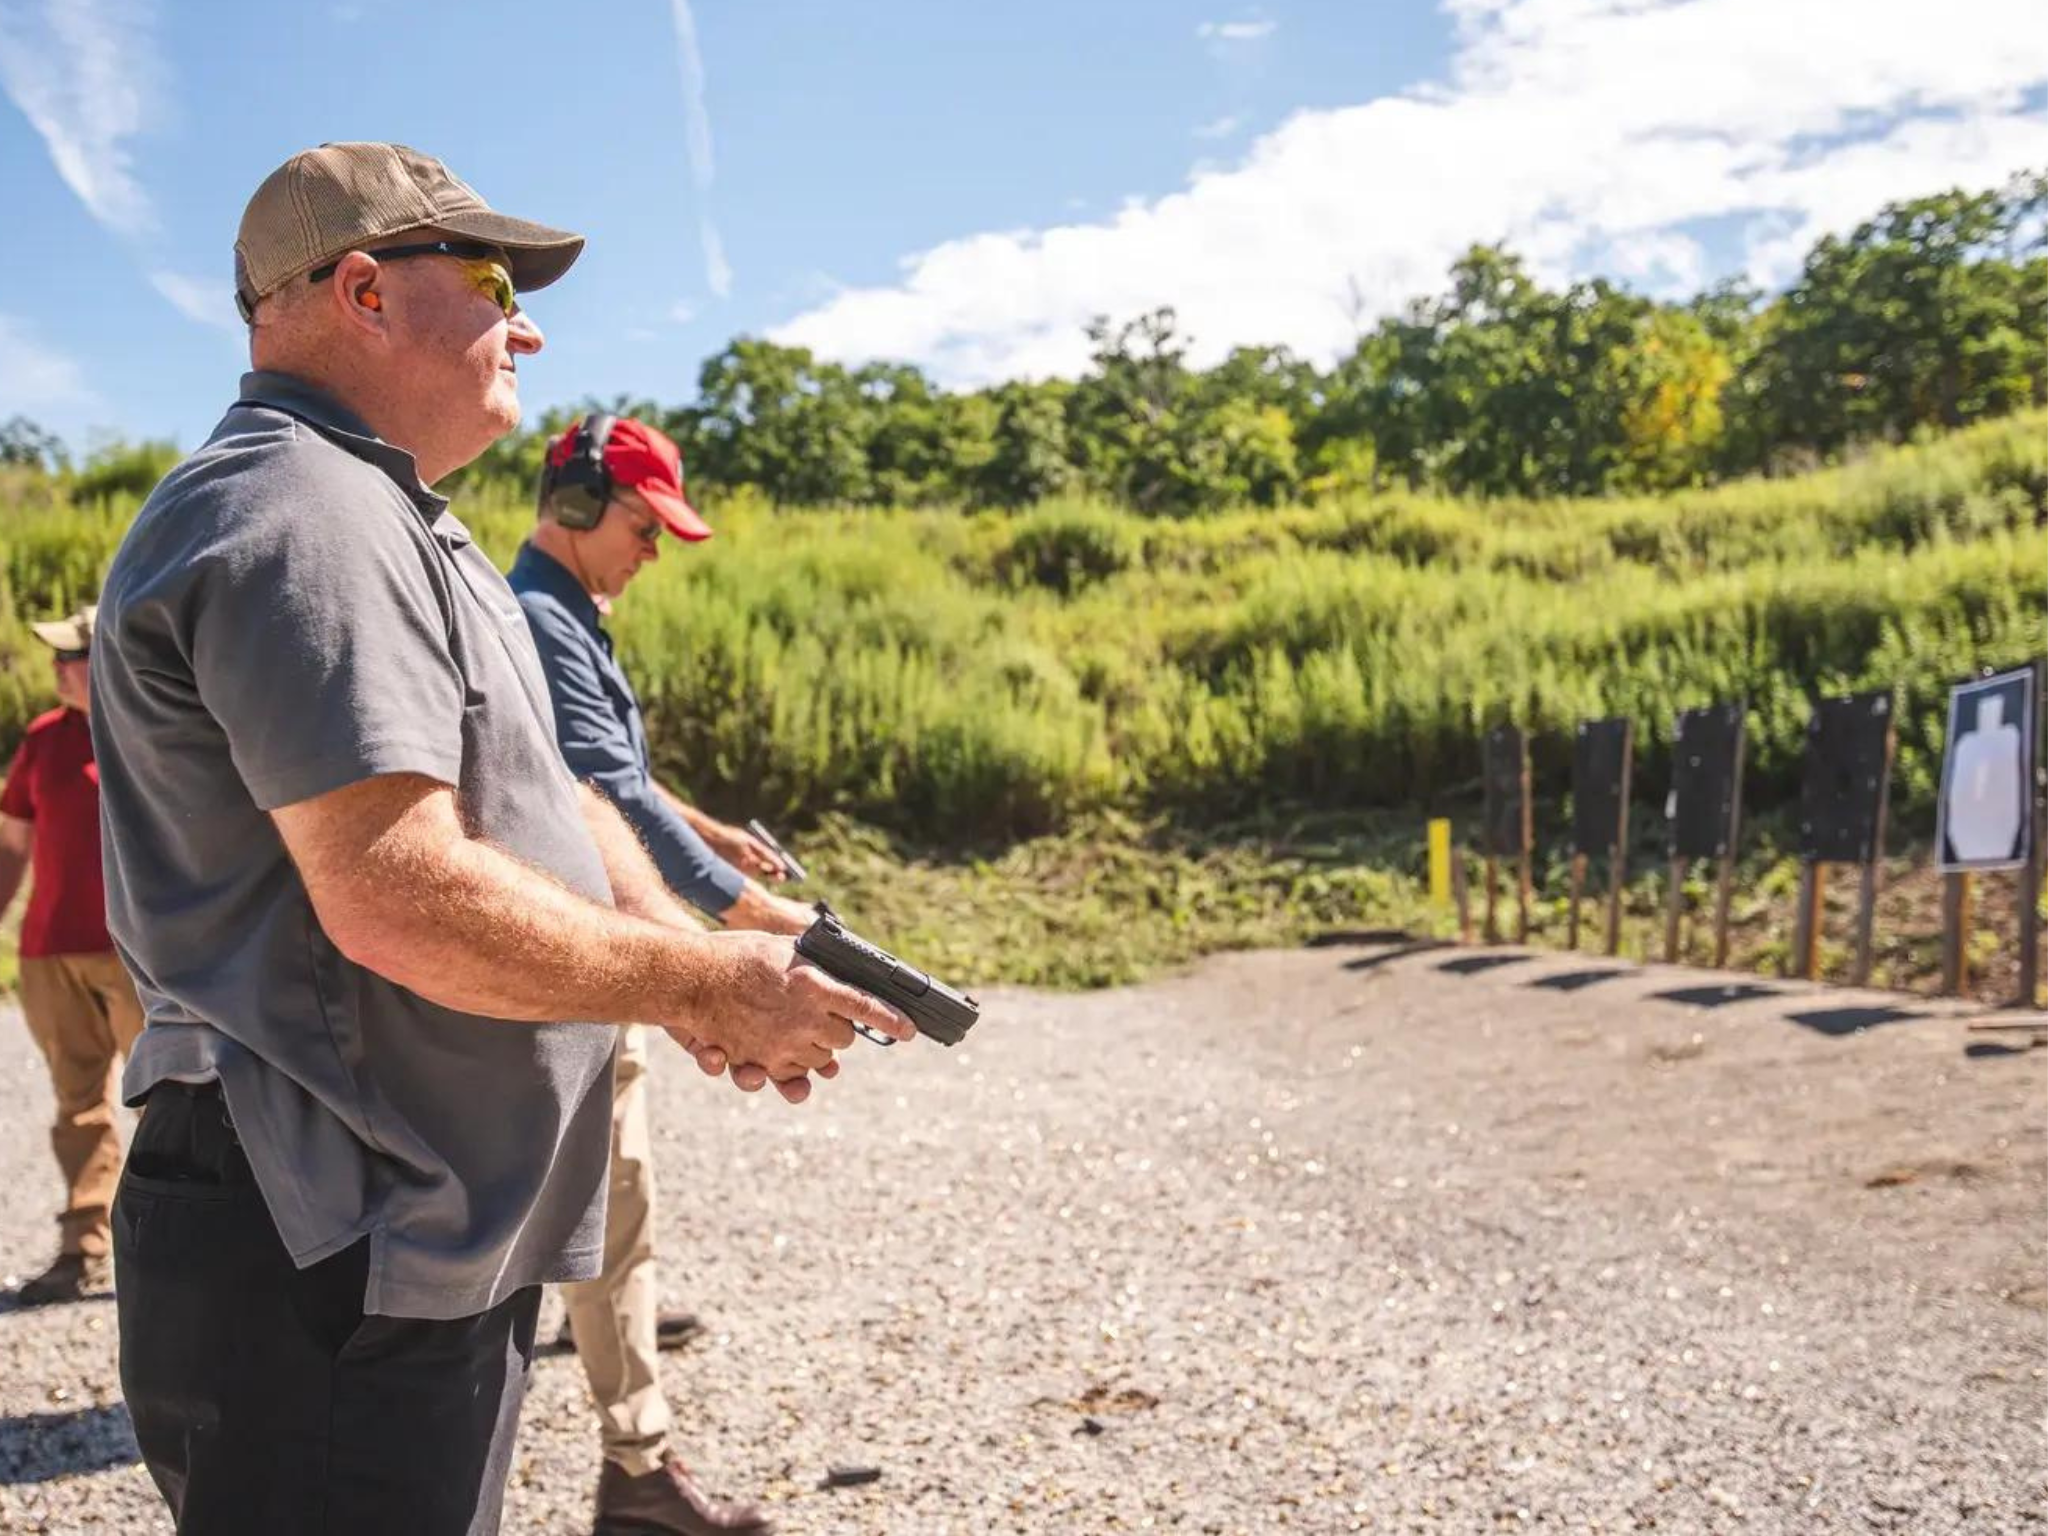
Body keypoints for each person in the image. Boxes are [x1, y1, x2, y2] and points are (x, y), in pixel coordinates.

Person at [89, 141, 912, 1536]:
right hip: (328, 1232)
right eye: (488, 279)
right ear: (360, 290)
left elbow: (564, 798)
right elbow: (395, 891)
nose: (524, 322)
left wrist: (697, 936)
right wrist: (705, 988)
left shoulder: (391, 516)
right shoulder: (300, 510)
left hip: (385, 1227)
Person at [510, 415, 814, 1535]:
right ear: (580, 507)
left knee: (601, 1203)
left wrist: (709, 834)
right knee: (612, 1195)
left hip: (593, 947)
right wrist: (746, 915)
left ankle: (606, 1321)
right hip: (589, 956)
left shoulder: (565, 615)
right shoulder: (538, 618)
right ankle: (637, 1472)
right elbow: (608, 796)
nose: (652, 553)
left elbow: (620, 774)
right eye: (644, 529)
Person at [0, 604, 145, 1306]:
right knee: (77, 1105)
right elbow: (10, 845)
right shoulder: (42, 741)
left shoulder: (157, 734)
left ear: (108, 659)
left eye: (71, 657)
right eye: (56, 658)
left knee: (172, 1105)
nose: (58, 668)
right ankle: (82, 1246)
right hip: (49, 953)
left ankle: (180, 1255)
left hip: (138, 956)